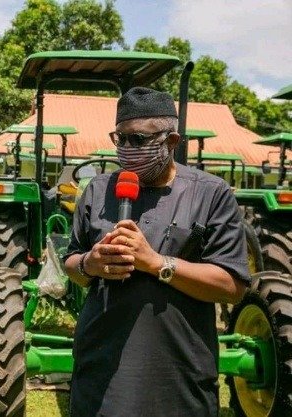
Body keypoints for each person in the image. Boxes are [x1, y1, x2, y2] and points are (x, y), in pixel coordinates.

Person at [63, 87, 249, 417]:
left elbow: (231, 287)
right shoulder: (98, 190)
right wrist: (90, 264)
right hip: (102, 374)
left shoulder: (210, 194)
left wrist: (157, 263)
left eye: (139, 140)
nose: (127, 149)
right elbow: (71, 262)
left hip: (177, 376)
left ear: (172, 141)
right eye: (120, 139)